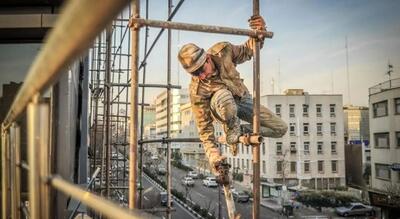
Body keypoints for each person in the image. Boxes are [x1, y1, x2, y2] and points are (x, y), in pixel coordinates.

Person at [177, 15, 287, 177]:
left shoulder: (223, 51)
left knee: (280, 128)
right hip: (222, 106)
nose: (200, 76)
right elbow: (205, 131)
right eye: (194, 73)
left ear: (207, 58)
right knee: (223, 96)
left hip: (243, 99)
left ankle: (236, 132)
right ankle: (231, 126)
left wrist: (259, 33)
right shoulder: (197, 90)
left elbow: (248, 51)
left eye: (201, 70)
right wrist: (215, 158)